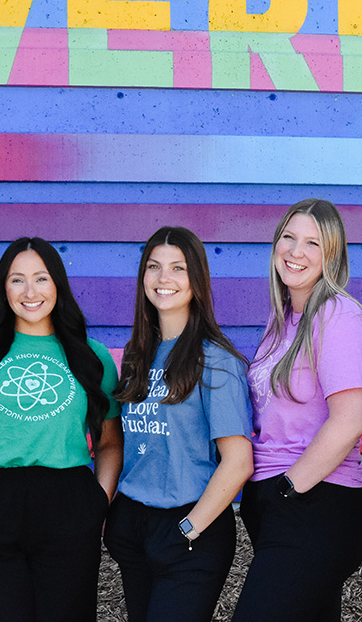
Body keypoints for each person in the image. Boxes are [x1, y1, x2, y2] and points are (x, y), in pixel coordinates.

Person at [0, 237, 122, 622]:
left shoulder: (92, 355)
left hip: (67, 504)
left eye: (42, 278)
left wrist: (95, 504)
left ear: (58, 285)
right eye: (17, 280)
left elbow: (110, 444)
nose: (30, 291)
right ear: (3, 286)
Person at [233, 199, 362, 622]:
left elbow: (350, 419)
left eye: (312, 243)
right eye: (288, 238)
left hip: (317, 505)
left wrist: (287, 490)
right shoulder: (282, 322)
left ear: (332, 256)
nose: (296, 251)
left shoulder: (338, 316)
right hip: (278, 503)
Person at [103, 226, 253, 622]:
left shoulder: (216, 360)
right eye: (153, 267)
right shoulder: (137, 356)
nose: (163, 279)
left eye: (177, 268)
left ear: (196, 280)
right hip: (134, 524)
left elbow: (238, 461)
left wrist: (188, 529)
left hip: (190, 528)